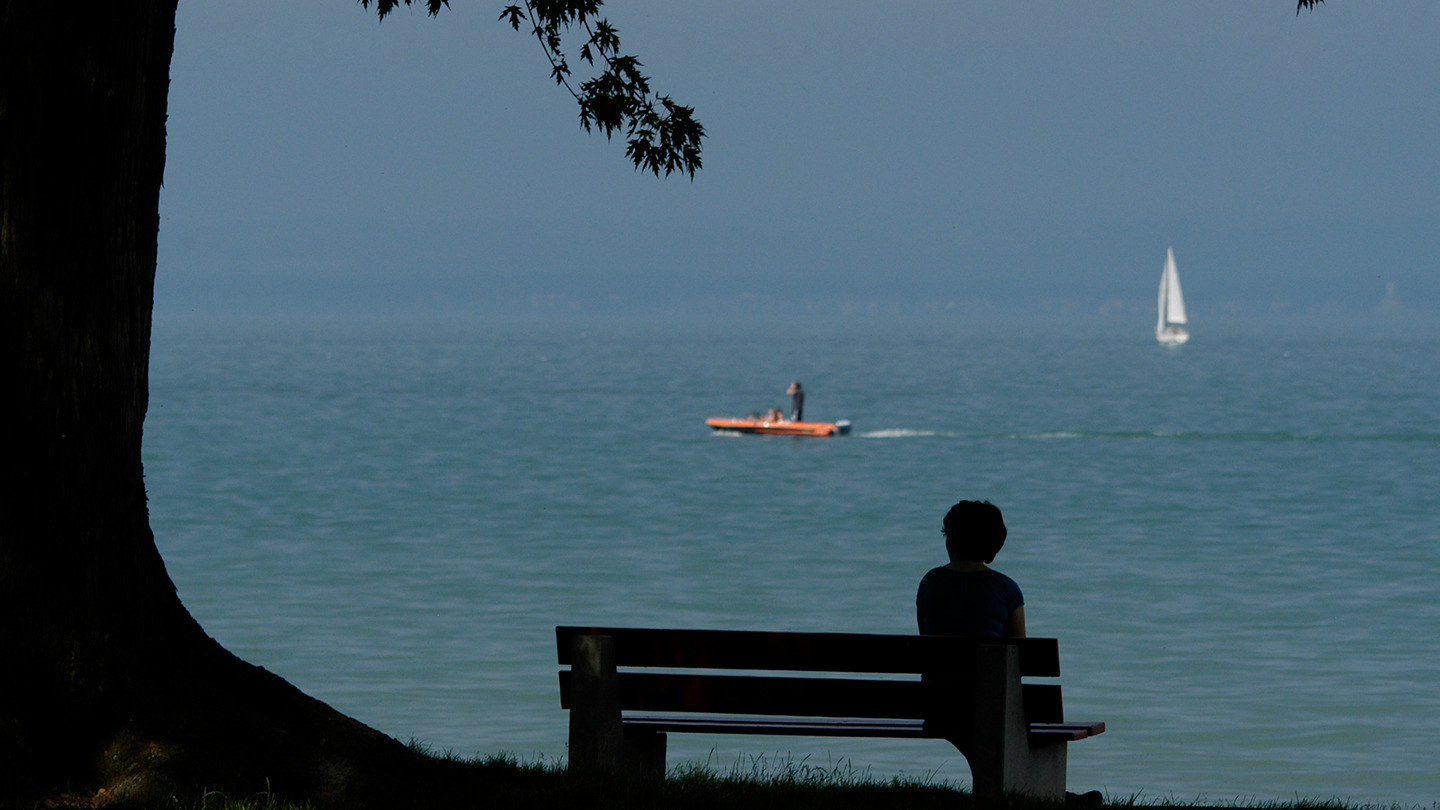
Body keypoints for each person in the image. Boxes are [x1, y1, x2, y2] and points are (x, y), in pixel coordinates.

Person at [916, 500, 1025, 638]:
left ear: (950, 543)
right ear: (994, 546)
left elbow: (925, 638)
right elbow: (1018, 651)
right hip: (988, 660)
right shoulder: (1007, 590)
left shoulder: (930, 582)